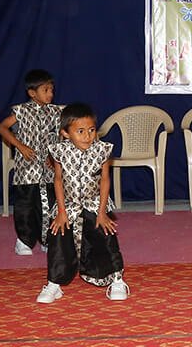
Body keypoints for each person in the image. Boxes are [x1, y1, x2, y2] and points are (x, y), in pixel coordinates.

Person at [35, 102, 129, 303]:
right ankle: (54, 283)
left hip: (95, 203)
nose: (87, 136)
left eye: (91, 130)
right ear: (66, 133)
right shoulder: (59, 151)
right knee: (58, 236)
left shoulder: (103, 150)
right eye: (80, 131)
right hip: (67, 204)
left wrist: (102, 212)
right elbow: (58, 180)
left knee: (105, 235)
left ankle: (116, 279)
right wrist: (61, 212)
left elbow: (105, 180)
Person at [0, 68, 63, 256]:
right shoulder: (21, 111)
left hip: (48, 169)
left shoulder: (55, 112)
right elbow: (2, 128)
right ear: (32, 93)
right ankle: (24, 240)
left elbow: (60, 135)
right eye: (45, 90)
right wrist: (20, 146)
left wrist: (53, 156)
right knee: (26, 206)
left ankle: (47, 239)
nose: (50, 94)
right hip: (27, 169)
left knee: (48, 205)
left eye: (51, 90)